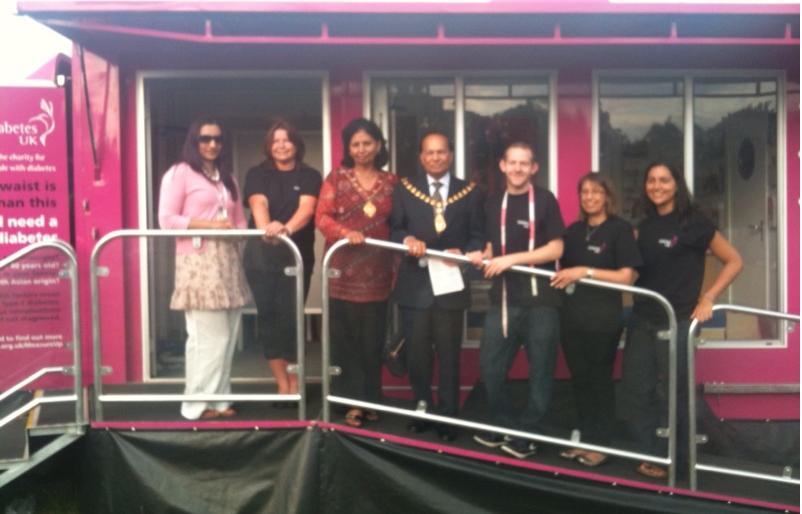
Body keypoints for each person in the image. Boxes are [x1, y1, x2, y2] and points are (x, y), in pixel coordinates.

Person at [621, 162, 742, 479]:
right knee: (637, 389)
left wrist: (709, 297)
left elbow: (734, 260)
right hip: (643, 318)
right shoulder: (644, 226)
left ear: (677, 185)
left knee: (675, 393)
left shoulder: (695, 223)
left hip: (678, 322)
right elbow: (631, 272)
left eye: (664, 180)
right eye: (651, 180)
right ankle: (649, 455)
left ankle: (680, 461)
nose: (656, 186)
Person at [469, 142, 565, 459]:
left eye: (524, 163)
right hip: (504, 299)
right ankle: (504, 423)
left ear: (534, 168)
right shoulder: (493, 201)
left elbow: (556, 249)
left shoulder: (546, 200)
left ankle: (529, 432)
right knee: (490, 367)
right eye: (512, 162)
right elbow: (492, 248)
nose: (518, 168)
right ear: (502, 165)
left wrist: (511, 260)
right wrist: (480, 255)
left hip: (541, 301)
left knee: (541, 371)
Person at [390, 130, 485, 442]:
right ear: (421, 157)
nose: (436, 157)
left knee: (448, 354)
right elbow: (395, 228)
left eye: (441, 151)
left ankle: (448, 415)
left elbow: (478, 235)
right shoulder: (405, 189)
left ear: (451, 155)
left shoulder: (469, 192)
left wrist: (465, 251)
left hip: (450, 284)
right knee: (417, 354)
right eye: (429, 152)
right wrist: (408, 239)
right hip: (415, 284)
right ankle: (422, 409)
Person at [158, 117, 252, 420]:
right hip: (198, 262)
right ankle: (196, 405)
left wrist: (239, 234)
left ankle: (220, 401)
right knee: (208, 339)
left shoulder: (227, 177)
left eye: (218, 139)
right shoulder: (179, 173)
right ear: (194, 141)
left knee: (227, 337)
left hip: (228, 263)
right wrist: (211, 226)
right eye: (205, 138)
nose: (212, 144)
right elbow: (167, 219)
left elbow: (239, 220)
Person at [550, 173, 642, 467]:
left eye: (596, 192)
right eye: (585, 192)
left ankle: (602, 445)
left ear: (607, 197)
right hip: (571, 317)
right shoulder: (573, 231)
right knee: (580, 379)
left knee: (599, 379)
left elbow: (626, 277)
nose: (589, 197)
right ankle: (584, 439)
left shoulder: (620, 230)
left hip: (603, 319)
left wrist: (585, 272)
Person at [315, 118, 398, 427]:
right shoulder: (336, 178)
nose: (361, 149)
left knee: (372, 341)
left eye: (367, 143)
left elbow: (399, 222)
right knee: (345, 341)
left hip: (379, 274)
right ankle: (349, 403)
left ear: (378, 145)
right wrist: (345, 232)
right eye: (355, 144)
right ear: (348, 148)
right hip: (341, 274)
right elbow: (322, 218)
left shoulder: (392, 182)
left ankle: (370, 400)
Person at [243, 120, 322, 398]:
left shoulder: (310, 175)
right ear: (269, 146)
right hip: (260, 258)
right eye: (275, 141)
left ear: (296, 144)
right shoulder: (257, 173)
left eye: (286, 140)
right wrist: (268, 229)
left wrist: (285, 230)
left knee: (291, 320)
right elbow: (258, 203)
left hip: (296, 258)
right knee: (269, 319)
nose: (281, 145)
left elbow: (307, 209)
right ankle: (281, 385)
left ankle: (295, 384)